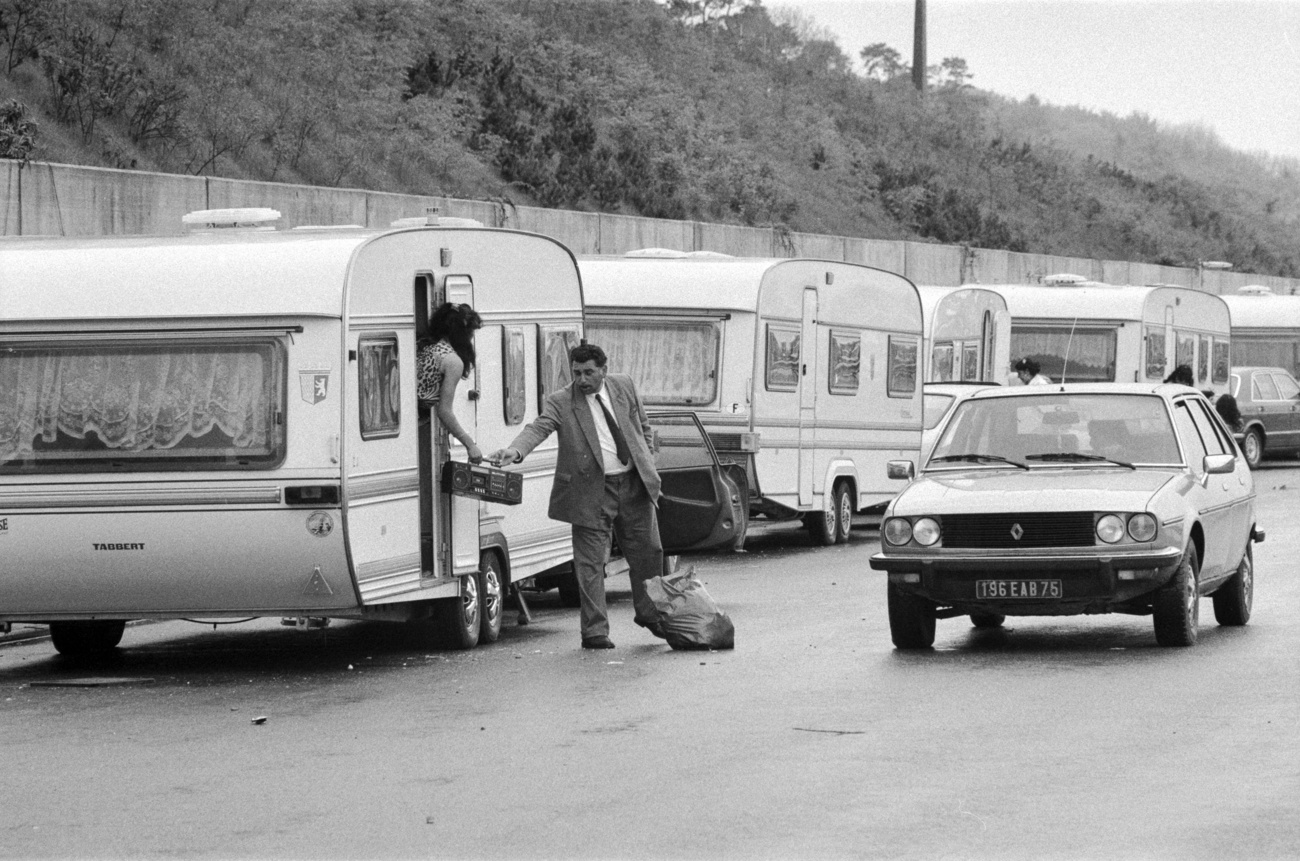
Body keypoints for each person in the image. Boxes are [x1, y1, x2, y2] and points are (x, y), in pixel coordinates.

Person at [489, 343, 663, 650]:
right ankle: (595, 632)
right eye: (577, 372)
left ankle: (651, 613)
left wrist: (647, 457)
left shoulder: (624, 385)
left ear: (604, 371)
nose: (582, 379)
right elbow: (538, 428)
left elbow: (644, 427)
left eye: (589, 372)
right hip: (590, 492)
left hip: (633, 485)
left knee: (649, 553)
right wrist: (515, 451)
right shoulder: (561, 401)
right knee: (590, 564)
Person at [417, 302, 483, 463]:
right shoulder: (452, 361)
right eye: (471, 332)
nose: (471, 338)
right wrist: (470, 445)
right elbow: (444, 411)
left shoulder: (421, 344)